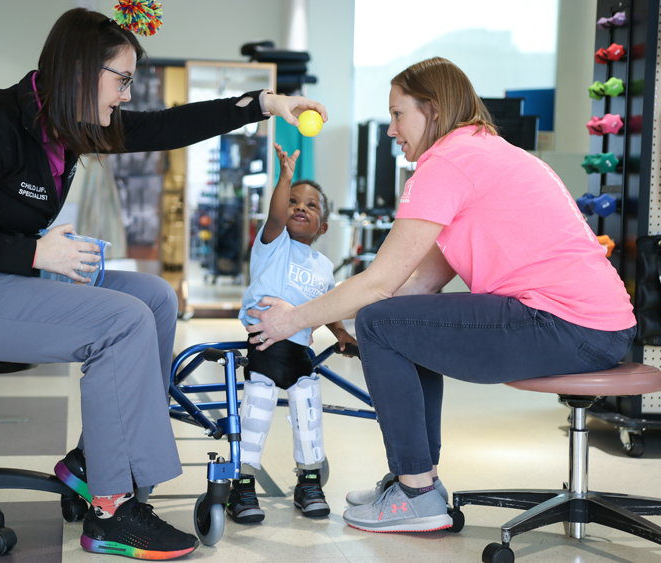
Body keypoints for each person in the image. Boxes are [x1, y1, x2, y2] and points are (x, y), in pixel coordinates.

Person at [0, 7, 327, 560]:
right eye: (123, 79)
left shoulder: (69, 127)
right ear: (83, 73)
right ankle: (112, 509)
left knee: (154, 298)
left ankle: (93, 462)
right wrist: (37, 251)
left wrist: (261, 104)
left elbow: (165, 126)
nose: (127, 96)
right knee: (119, 319)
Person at [243, 57, 636, 534]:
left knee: (380, 322)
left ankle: (416, 491)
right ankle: (419, 478)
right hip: (597, 326)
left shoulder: (445, 163)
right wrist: (333, 314)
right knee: (400, 319)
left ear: (431, 110)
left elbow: (379, 285)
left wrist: (291, 319)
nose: (391, 130)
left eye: (397, 114)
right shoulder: (483, 152)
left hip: (566, 325)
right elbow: (415, 287)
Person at [227, 144, 356, 524]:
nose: (300, 207)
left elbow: (326, 304)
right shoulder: (273, 246)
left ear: (323, 227)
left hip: (300, 351)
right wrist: (284, 177)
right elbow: (276, 214)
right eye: (294, 202)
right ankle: (243, 484)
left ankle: (310, 480)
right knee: (257, 412)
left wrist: (341, 332)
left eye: (311, 206)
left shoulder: (323, 265)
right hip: (265, 346)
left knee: (308, 411)